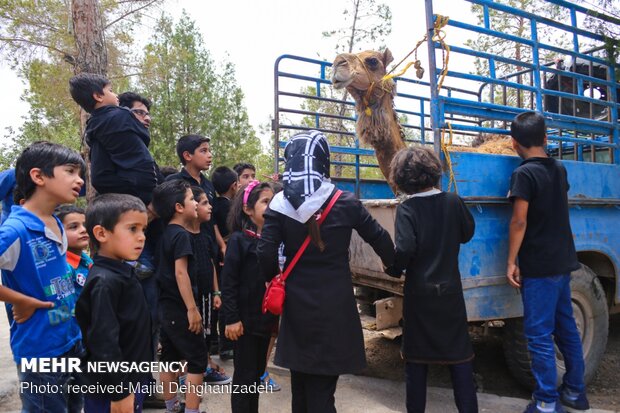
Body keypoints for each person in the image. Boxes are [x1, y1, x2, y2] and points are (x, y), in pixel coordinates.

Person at [257, 130, 395, 413]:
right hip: (336, 305)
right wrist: (394, 266)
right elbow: (380, 238)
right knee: (323, 391)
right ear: (323, 161)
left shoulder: (278, 205)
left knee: (301, 384)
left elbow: (265, 255)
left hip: (296, 306)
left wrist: (277, 278)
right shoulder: (345, 202)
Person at [385, 147, 478, 413]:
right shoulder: (453, 201)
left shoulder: (407, 209)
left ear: (402, 177)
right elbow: (467, 233)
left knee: (416, 363)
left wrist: (393, 268)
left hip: (420, 297)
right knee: (460, 360)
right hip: (450, 295)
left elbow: (404, 249)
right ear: (433, 171)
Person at [507, 111, 587, 413]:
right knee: (566, 328)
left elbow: (519, 221)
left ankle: (545, 401)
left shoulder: (523, 174)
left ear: (514, 143)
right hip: (562, 262)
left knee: (539, 334)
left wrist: (511, 260)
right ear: (545, 138)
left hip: (539, 267)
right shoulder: (559, 169)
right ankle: (576, 393)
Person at [0, 141, 85, 412]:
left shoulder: (55, 221)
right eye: (70, 171)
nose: (79, 180)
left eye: (80, 173)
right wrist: (19, 300)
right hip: (40, 353)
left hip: (70, 340)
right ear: (38, 176)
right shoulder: (15, 230)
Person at [76, 194, 152, 413]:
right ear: (101, 233)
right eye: (132, 229)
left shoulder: (121, 272)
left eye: (143, 230)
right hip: (111, 389)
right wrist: (119, 392)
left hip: (130, 378)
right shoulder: (104, 282)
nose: (141, 237)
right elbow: (104, 343)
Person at [222, 180, 279, 413]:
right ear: (248, 209)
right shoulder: (238, 240)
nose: (272, 206)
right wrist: (231, 319)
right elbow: (229, 283)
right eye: (266, 202)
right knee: (244, 378)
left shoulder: (271, 241)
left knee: (255, 376)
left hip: (263, 322)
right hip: (243, 324)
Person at [153, 179, 208, 413]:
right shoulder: (182, 236)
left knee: (169, 358)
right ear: (178, 207)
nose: (195, 203)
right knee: (197, 361)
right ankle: (192, 410)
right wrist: (192, 309)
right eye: (191, 199)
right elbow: (180, 272)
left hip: (166, 309)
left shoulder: (166, 234)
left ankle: (171, 407)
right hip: (180, 308)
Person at [69, 73, 158, 206]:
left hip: (122, 196)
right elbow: (145, 136)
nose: (115, 94)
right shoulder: (122, 114)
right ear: (98, 96)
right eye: (110, 90)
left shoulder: (93, 128)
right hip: (144, 183)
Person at [189, 186, 231, 385]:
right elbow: (181, 273)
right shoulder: (182, 237)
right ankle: (191, 373)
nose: (210, 207)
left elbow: (212, 264)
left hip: (208, 296)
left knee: (207, 333)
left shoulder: (205, 237)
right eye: (205, 203)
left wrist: (217, 291)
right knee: (193, 337)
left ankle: (205, 367)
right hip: (194, 299)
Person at [211, 165, 239, 360]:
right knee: (227, 297)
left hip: (217, 258)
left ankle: (218, 343)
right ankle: (227, 344)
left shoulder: (213, 204)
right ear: (234, 186)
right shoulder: (230, 208)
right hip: (225, 258)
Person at [56, 204, 92, 297]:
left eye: (85, 225)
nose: (83, 230)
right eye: (73, 227)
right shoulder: (62, 267)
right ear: (56, 232)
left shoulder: (86, 260)